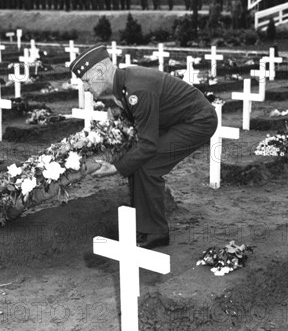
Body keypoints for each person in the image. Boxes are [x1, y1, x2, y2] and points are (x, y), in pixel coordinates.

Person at [70, 45, 218, 249]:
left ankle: (156, 233)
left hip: (198, 121)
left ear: (100, 71)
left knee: (148, 164)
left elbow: (147, 145)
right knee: (137, 162)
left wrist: (115, 168)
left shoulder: (136, 89)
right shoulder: (120, 86)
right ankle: (144, 227)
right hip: (174, 121)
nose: (85, 87)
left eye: (86, 80)